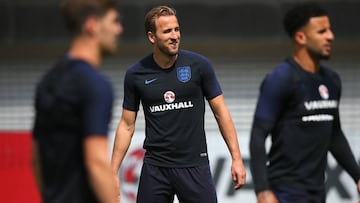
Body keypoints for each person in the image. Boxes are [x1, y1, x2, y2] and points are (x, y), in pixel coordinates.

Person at [111, 5, 246, 203]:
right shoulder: (135, 74)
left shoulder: (199, 66)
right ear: (152, 37)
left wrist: (236, 158)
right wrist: (113, 172)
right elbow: (126, 125)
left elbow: (220, 112)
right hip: (155, 168)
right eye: (167, 31)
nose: (175, 36)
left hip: (194, 165)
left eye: (177, 29)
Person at [249, 2, 360, 203]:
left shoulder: (332, 80)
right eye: (322, 31)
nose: (331, 36)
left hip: (318, 192)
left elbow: (334, 134)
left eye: (330, 30)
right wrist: (263, 191)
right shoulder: (281, 78)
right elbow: (258, 135)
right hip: (285, 192)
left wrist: (357, 175)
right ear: (301, 37)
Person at [31, 0, 123, 202]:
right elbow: (97, 162)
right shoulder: (95, 84)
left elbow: (37, 159)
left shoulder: (48, 81)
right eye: (114, 21)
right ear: (92, 25)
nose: (119, 29)